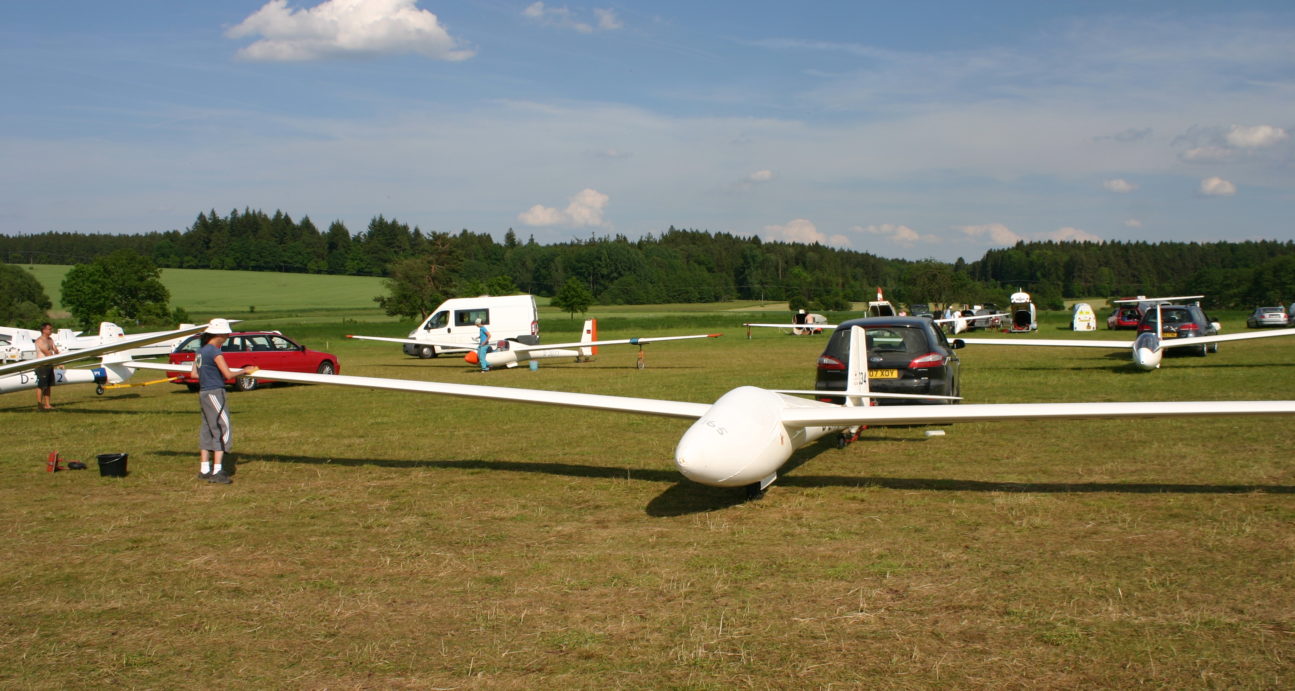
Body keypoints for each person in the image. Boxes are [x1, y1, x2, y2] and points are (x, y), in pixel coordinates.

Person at [191, 319, 256, 484]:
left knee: (207, 428)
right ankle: (217, 471)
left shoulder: (200, 351)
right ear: (219, 335)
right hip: (215, 393)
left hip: (204, 393)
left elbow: (194, 374)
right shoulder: (215, 352)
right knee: (222, 428)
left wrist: (211, 375)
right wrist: (244, 370)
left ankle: (204, 469)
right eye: (227, 334)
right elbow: (228, 374)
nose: (227, 337)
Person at [33, 322, 60, 410]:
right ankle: (39, 405)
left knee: (48, 386)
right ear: (44, 330)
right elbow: (47, 353)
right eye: (49, 329)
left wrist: (58, 355)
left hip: (49, 365)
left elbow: (55, 350)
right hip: (42, 366)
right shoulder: (40, 340)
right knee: (41, 386)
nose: (51, 330)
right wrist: (58, 361)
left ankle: (47, 404)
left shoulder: (50, 339)